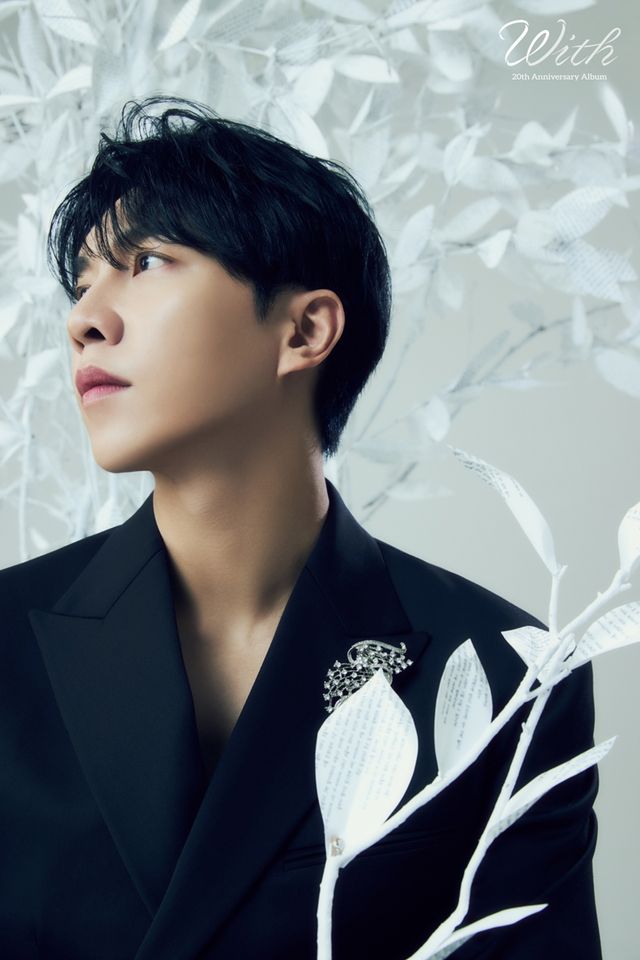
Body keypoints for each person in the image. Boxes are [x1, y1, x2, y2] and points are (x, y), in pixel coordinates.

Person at [0, 95, 601, 959]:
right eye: (84, 281)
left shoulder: (507, 671)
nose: (83, 319)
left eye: (147, 261)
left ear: (305, 329)